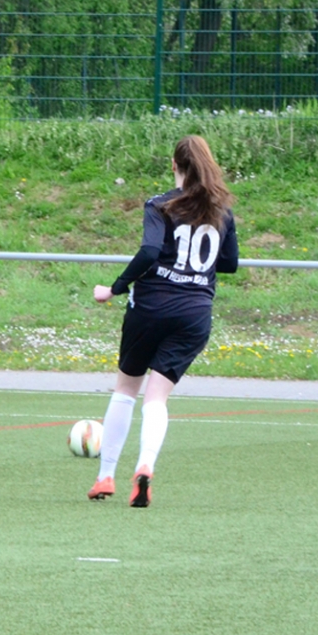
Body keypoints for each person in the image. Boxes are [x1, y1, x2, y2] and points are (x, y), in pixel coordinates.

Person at [87, 135, 238, 507]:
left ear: (174, 165)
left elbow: (150, 251)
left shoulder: (160, 205)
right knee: (157, 398)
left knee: (126, 390)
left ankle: (106, 475)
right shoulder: (222, 210)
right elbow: (230, 263)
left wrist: (115, 288)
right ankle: (145, 466)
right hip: (195, 313)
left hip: (151, 308)